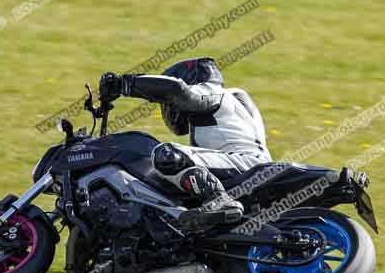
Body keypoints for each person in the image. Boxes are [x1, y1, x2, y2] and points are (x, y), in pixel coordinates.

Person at [99, 57, 272, 230]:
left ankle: (220, 201)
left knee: (167, 154)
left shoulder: (213, 91)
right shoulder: (237, 102)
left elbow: (176, 90)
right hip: (255, 165)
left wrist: (124, 84)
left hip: (245, 164)